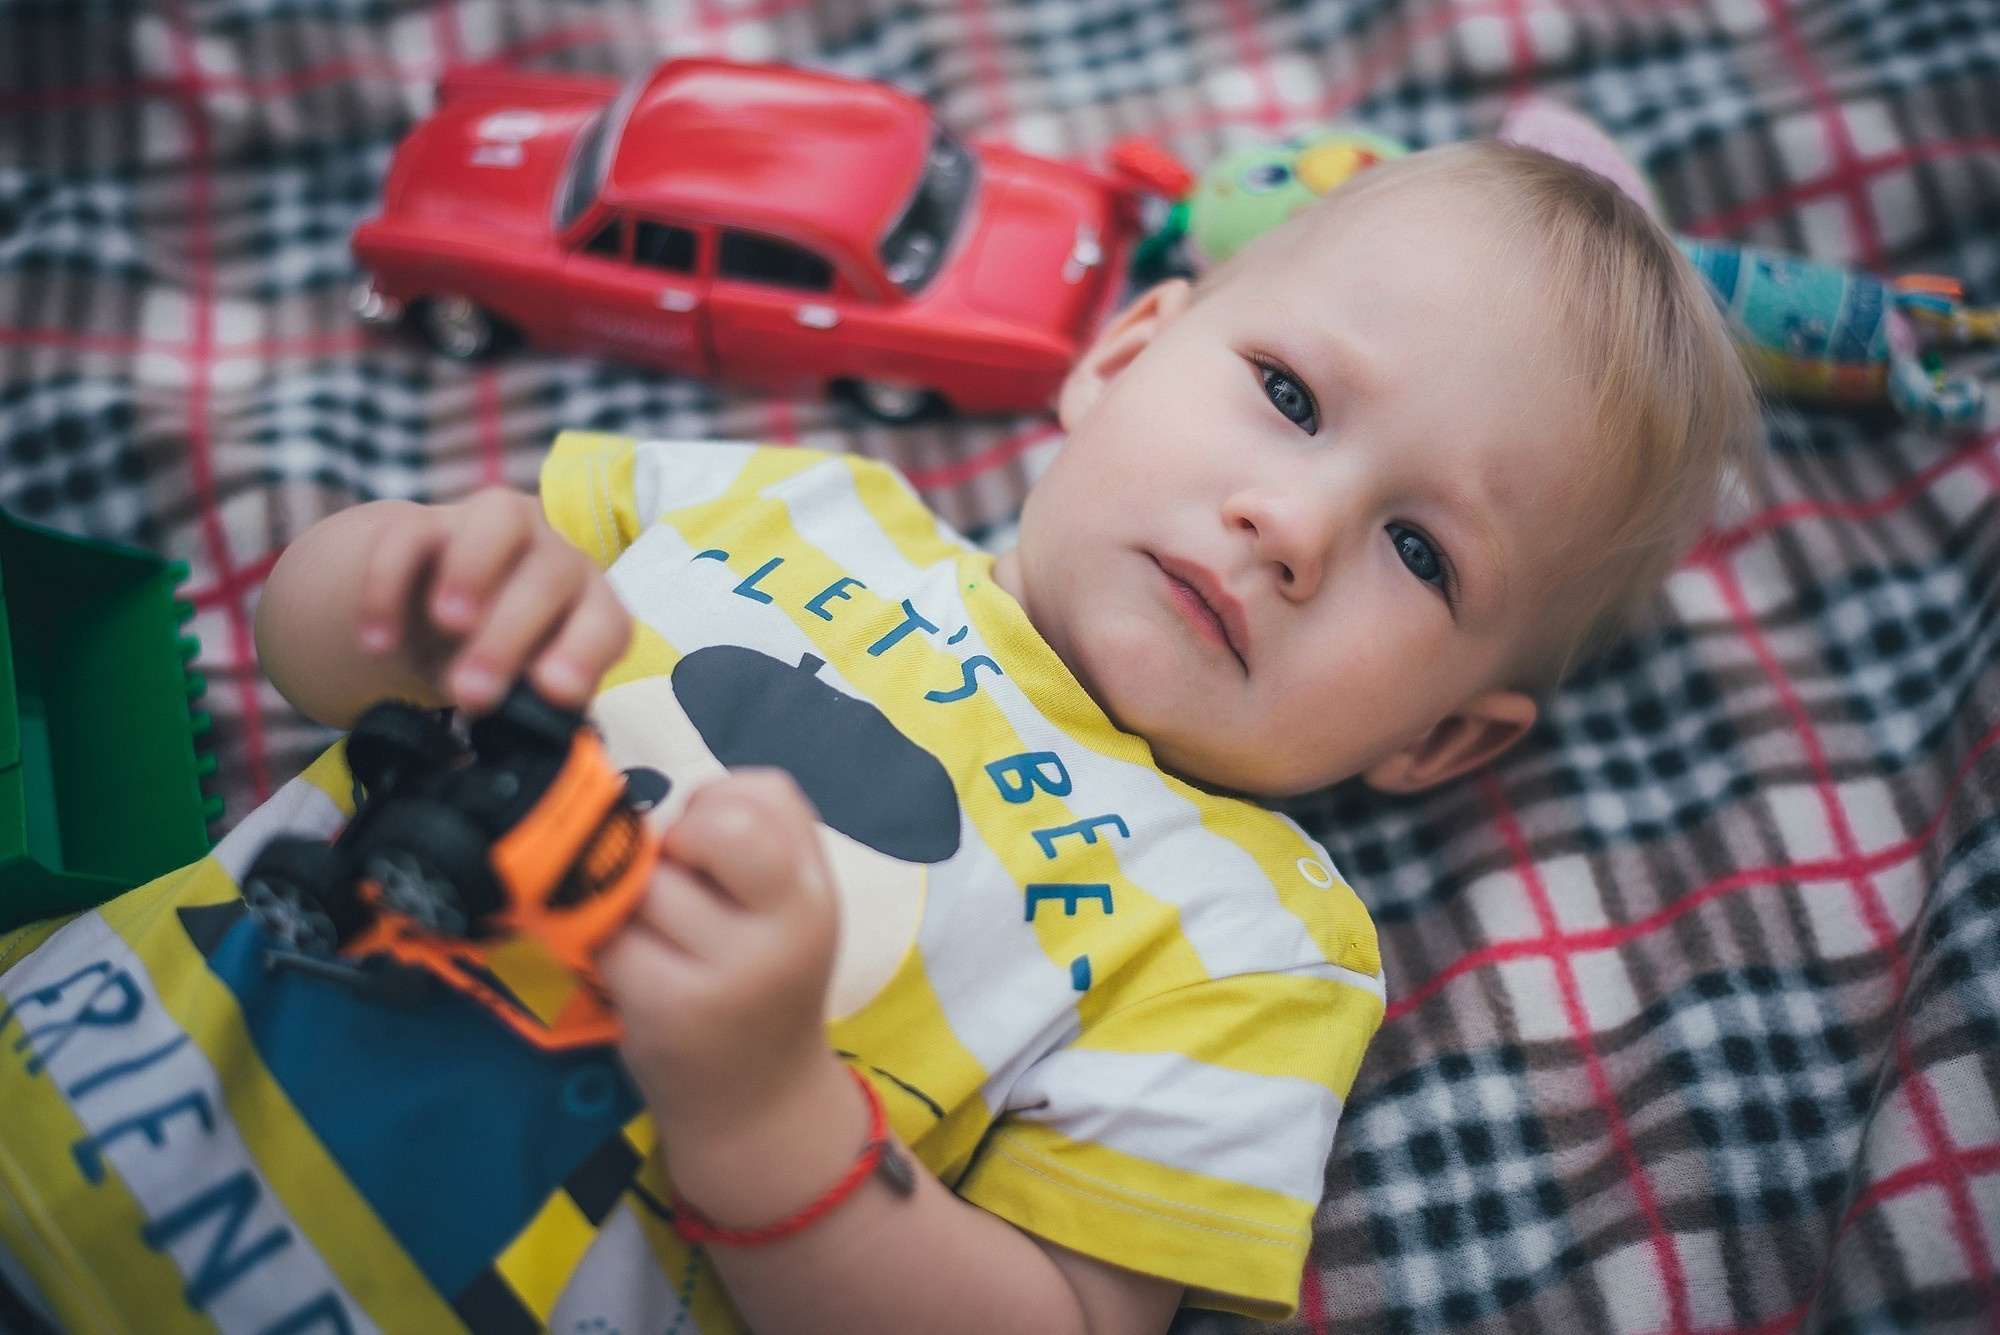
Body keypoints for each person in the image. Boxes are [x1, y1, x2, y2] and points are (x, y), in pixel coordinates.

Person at [0, 140, 1756, 1335]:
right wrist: (394, 589)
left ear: (1447, 740)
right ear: (1128, 350)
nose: (1288, 524)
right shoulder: (793, 504)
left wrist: (766, 1114)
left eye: (1423, 553)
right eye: (1289, 398)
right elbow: (305, 649)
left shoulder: (1257, 938)